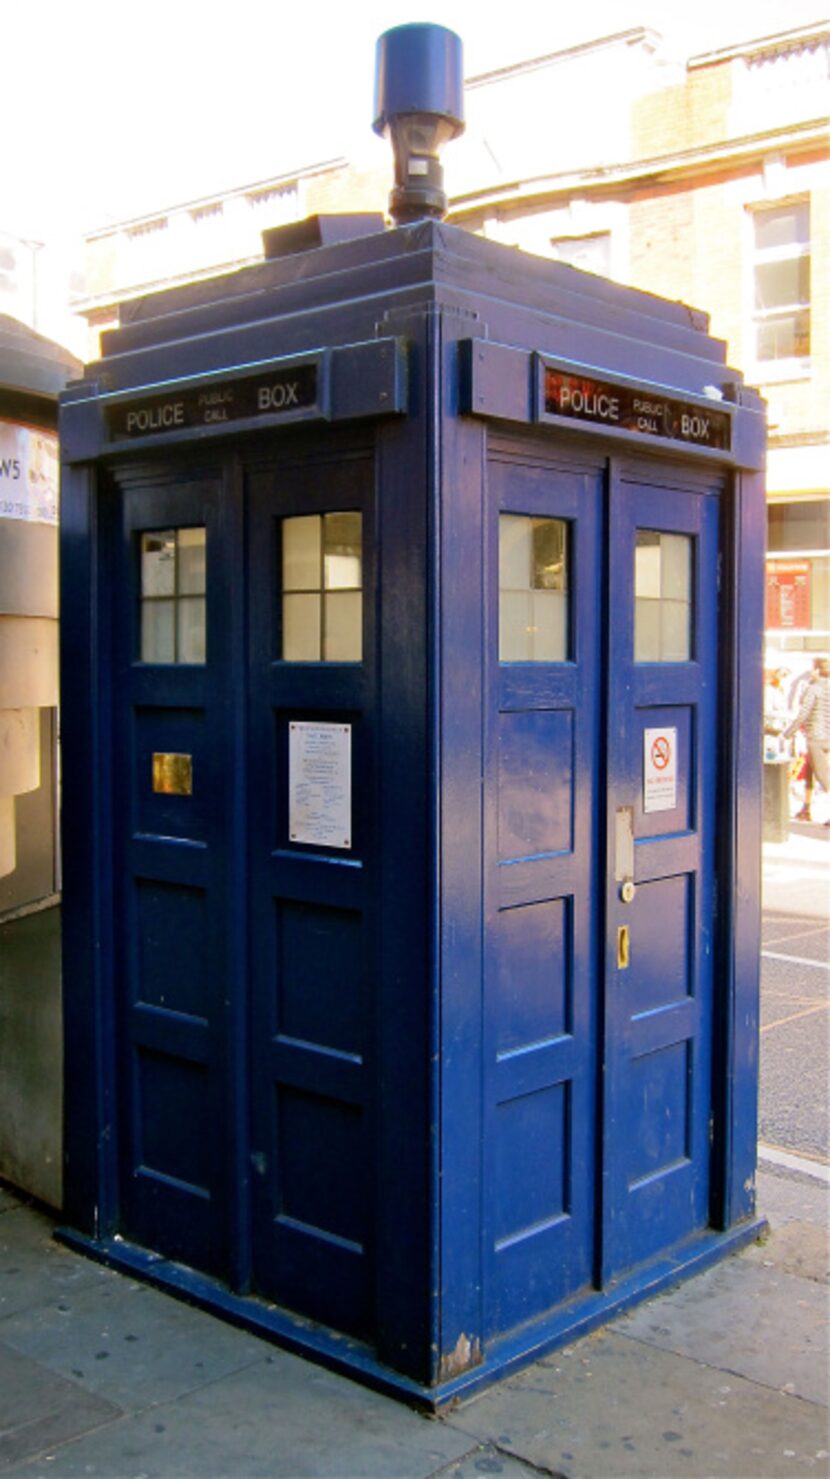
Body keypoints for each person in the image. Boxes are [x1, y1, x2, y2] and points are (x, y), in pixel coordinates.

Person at [785, 656, 830, 826]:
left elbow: (803, 714)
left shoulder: (814, 688)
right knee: (811, 772)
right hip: (828, 737)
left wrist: (788, 733)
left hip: (816, 737)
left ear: (817, 670)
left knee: (824, 776)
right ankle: (806, 808)